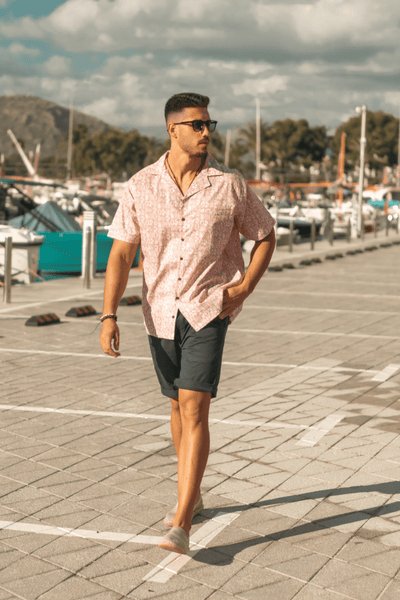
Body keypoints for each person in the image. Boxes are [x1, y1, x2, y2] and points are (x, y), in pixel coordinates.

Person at [100, 92, 275, 555]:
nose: (205, 133)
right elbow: (121, 252)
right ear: (172, 129)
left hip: (207, 309)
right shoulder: (141, 185)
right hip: (158, 312)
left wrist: (245, 287)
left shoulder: (229, 185)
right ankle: (194, 495)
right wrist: (108, 314)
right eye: (197, 125)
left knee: (195, 406)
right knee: (177, 407)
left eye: (209, 125)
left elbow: (265, 234)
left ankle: (181, 521)